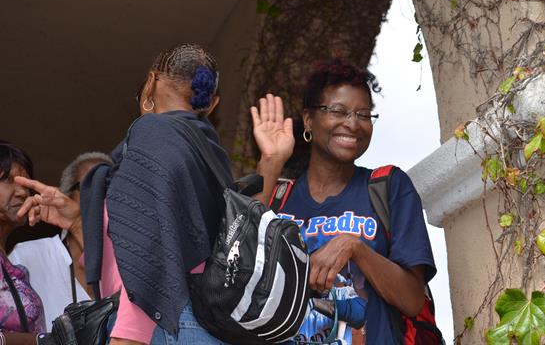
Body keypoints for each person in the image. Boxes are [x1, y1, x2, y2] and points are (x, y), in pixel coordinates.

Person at [16, 44, 232, 345]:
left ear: (152, 81)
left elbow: (151, 254)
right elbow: (178, 238)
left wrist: (127, 336)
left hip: (161, 327)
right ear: (210, 102)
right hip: (203, 328)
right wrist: (80, 222)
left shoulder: (152, 136)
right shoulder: (208, 151)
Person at [251, 57, 437, 344]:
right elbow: (238, 264)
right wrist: (271, 161)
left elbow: (412, 300)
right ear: (309, 119)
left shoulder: (388, 187)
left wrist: (355, 248)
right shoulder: (278, 196)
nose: (353, 124)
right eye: (338, 111)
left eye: (363, 114)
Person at [9, 152, 112, 330]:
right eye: (92, 187)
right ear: (66, 196)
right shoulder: (27, 256)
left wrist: (78, 225)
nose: (103, 196)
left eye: (112, 188)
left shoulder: (128, 268)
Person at [0, 140, 46, 344]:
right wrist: (41, 341)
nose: (21, 192)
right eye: (8, 180)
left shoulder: (12, 267)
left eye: (25, 184)